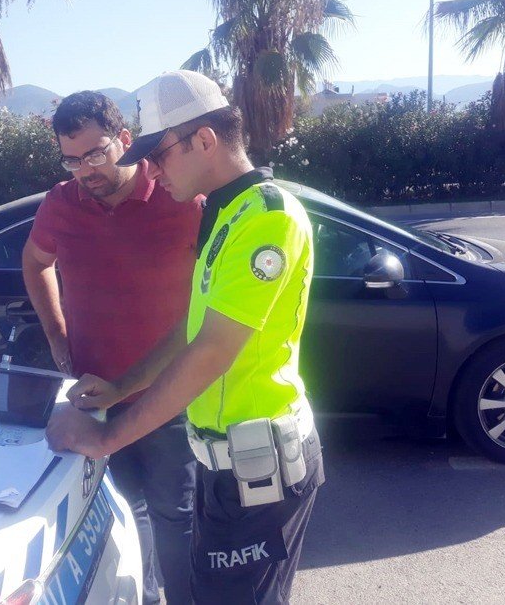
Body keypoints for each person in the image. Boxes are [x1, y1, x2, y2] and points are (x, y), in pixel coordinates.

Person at [46, 70, 324, 604]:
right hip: (226, 464)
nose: (147, 167)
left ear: (204, 140)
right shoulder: (223, 213)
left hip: (258, 469)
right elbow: (191, 330)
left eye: (160, 152)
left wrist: (107, 438)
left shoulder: (265, 218)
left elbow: (213, 351)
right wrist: (121, 386)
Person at [21, 91, 200, 605]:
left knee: (175, 514)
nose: (85, 170)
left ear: (125, 140)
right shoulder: (61, 203)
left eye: (96, 153)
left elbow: (207, 306)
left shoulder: (179, 195)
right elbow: (35, 263)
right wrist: (56, 333)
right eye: (71, 159)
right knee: (120, 511)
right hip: (94, 393)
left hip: (168, 397)